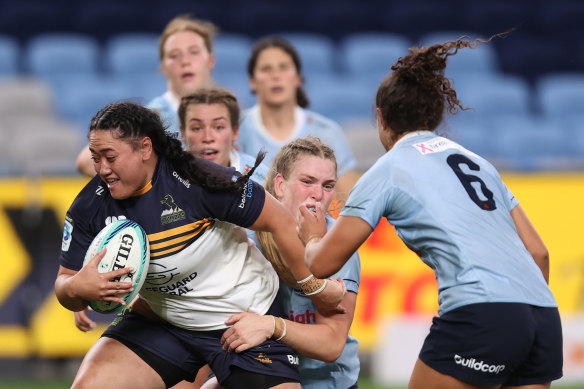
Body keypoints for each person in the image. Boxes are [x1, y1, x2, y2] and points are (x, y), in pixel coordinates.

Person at [297, 37, 563, 389]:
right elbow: (538, 253)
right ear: (435, 116)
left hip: (480, 312)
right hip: (543, 316)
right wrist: (519, 316)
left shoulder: (388, 169)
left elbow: (321, 265)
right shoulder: (480, 163)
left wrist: (313, 236)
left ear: (381, 118)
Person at [56, 101, 345, 389]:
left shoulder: (198, 179)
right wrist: (76, 288)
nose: (102, 169)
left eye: (110, 156)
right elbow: (65, 284)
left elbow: (280, 220)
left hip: (243, 320)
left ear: (145, 149)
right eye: (96, 158)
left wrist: (312, 285)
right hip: (163, 322)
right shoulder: (89, 206)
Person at [220, 136, 361, 389]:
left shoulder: (339, 245)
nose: (317, 195)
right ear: (280, 185)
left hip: (324, 383)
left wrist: (272, 325)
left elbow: (331, 344)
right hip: (259, 373)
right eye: (307, 182)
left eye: (328, 186)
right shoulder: (247, 237)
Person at [75, 14, 216, 177]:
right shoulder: (150, 118)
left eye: (194, 52)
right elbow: (85, 162)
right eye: (175, 55)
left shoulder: (235, 116)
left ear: (210, 60)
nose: (185, 61)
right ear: (163, 66)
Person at [237, 36, 359, 210]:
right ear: (252, 82)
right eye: (266, 69)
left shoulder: (327, 131)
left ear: (298, 78)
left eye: (283, 67)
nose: (275, 75)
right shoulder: (235, 128)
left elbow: (351, 206)